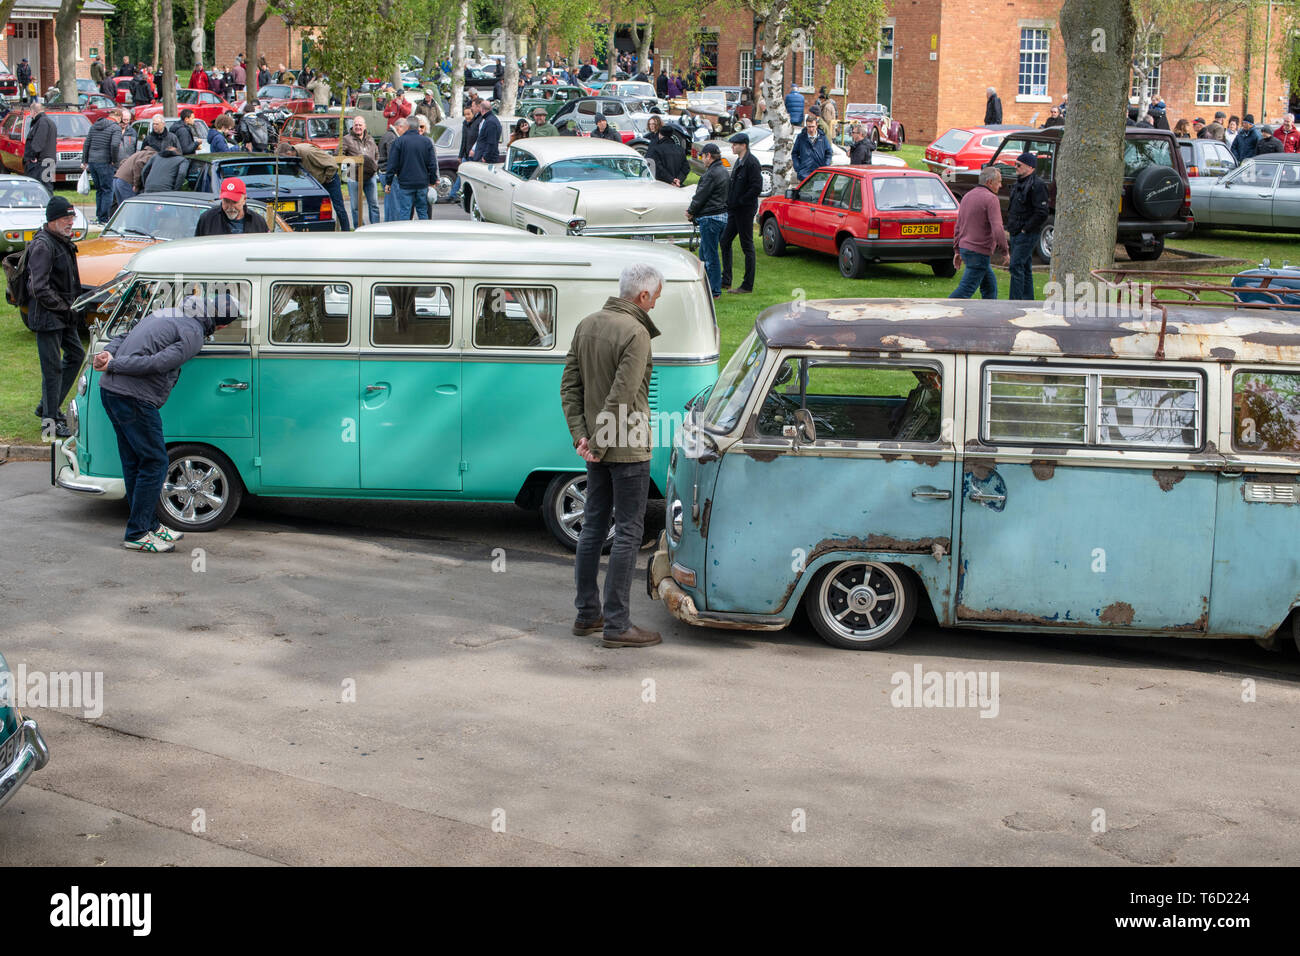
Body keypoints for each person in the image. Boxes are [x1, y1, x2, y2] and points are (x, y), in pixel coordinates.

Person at [559, 263, 665, 649]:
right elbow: (622, 395)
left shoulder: (586, 324)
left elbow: (569, 386)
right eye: (655, 298)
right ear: (642, 296)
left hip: (595, 446)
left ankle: (588, 615)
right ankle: (618, 624)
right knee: (628, 533)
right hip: (627, 447)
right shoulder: (636, 332)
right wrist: (599, 442)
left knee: (592, 528)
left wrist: (582, 438)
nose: (655, 305)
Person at [93, 291, 239, 551]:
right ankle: (138, 533)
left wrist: (107, 354)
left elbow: (125, 336)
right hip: (134, 397)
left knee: (134, 461)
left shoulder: (168, 311)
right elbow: (158, 364)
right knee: (155, 462)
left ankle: (148, 525)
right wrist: (114, 365)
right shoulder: (193, 335)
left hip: (111, 392)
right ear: (224, 324)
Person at [26, 196, 84, 441]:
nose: (70, 222)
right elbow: (38, 288)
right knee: (51, 371)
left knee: (77, 355)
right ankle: (49, 424)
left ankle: (47, 407)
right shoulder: (43, 245)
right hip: (48, 317)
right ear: (52, 220)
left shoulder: (61, 240)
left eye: (71, 217)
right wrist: (64, 309)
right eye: (65, 218)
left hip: (62, 315)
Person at [950, 166, 1008, 299]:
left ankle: (989, 315)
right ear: (989, 183)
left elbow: (958, 226)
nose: (1000, 185)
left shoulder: (968, 196)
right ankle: (944, 311)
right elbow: (998, 228)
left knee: (989, 286)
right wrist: (1005, 251)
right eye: (999, 182)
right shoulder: (991, 199)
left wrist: (957, 250)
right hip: (979, 252)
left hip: (966, 248)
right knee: (965, 290)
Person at [685, 143, 728, 298]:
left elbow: (701, 196)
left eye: (702, 156)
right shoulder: (723, 170)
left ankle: (714, 290)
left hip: (710, 218)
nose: (702, 159)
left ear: (708, 156)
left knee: (710, 256)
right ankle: (704, 285)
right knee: (704, 254)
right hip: (721, 216)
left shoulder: (711, 174)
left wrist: (691, 211)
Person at [721, 131, 761, 295]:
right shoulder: (739, 161)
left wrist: (740, 201)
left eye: (735, 144)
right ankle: (726, 279)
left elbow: (756, 187)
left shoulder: (751, 163)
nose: (733, 146)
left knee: (747, 245)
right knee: (724, 241)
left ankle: (747, 285)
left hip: (744, 210)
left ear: (743, 145)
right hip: (735, 209)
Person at [1005, 151, 1049, 300]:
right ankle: (1027, 301)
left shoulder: (1037, 185)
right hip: (1016, 231)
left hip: (1027, 233)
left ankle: (1015, 302)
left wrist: (1026, 229)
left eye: (1019, 165)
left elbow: (1042, 212)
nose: (1015, 167)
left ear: (1030, 167)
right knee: (1024, 267)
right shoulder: (1019, 183)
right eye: (1015, 164)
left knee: (1015, 266)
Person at [279, 140, 353, 230]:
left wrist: (326, 178)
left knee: (339, 208)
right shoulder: (294, 156)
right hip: (317, 182)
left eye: (284, 157)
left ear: (289, 152)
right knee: (314, 210)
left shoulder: (309, 152)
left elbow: (332, 164)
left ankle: (346, 232)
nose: (285, 160)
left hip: (330, 180)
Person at [384, 115, 438, 220]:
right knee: (423, 211)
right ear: (418, 127)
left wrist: (388, 181)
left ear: (407, 126)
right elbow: (432, 164)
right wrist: (432, 180)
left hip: (405, 183)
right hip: (422, 183)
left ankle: (405, 234)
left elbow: (392, 164)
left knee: (405, 212)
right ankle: (424, 234)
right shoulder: (426, 142)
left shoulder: (399, 142)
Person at [81, 108, 123, 224]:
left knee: (99, 190)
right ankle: (104, 218)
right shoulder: (115, 128)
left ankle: (99, 216)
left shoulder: (95, 126)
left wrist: (85, 160)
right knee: (108, 190)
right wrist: (114, 160)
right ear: (118, 117)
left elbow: (87, 143)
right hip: (105, 161)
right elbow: (115, 145)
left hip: (92, 161)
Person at [339, 115, 380, 226]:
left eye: (360, 125)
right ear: (352, 126)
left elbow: (377, 154)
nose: (358, 127)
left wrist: (374, 166)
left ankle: (375, 227)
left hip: (370, 175)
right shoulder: (346, 139)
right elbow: (339, 156)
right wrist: (352, 162)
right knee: (355, 207)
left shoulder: (370, 139)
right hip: (353, 175)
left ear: (364, 126)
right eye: (356, 125)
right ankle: (359, 227)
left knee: (374, 204)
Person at [195, 177, 269, 235]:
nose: (230, 207)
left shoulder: (258, 221)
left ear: (244, 200)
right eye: (226, 201)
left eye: (234, 202)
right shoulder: (207, 219)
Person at [644, 115, 686, 185]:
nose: (651, 126)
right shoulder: (651, 136)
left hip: (661, 175)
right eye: (650, 124)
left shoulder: (658, 139)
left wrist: (671, 179)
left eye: (653, 124)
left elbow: (656, 161)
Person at [23, 103, 57, 187]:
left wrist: (32, 156)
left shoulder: (42, 122)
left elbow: (38, 141)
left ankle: (46, 200)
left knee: (42, 187)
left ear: (34, 111)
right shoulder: (49, 122)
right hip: (49, 160)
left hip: (42, 162)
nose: (30, 114)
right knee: (47, 185)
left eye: (30, 111)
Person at [792, 113, 831, 181]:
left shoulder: (822, 137)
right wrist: (798, 168)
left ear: (816, 126)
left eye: (813, 126)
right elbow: (794, 153)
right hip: (804, 175)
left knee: (818, 191)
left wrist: (825, 166)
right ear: (806, 126)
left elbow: (829, 152)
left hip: (819, 175)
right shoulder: (801, 137)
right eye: (809, 127)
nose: (811, 129)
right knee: (803, 192)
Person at [469, 98, 501, 163]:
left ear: (482, 109)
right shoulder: (490, 120)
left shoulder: (490, 122)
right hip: (484, 156)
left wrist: (485, 157)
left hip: (486, 159)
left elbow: (491, 142)